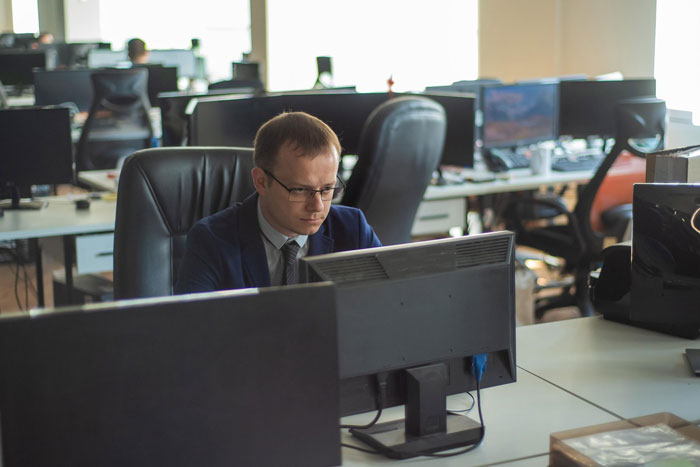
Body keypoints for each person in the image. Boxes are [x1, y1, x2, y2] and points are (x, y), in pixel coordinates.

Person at [175, 111, 381, 293]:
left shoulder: (353, 229)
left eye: (327, 189)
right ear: (261, 182)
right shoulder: (212, 241)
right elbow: (191, 331)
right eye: (300, 190)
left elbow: (388, 305)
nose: (317, 206)